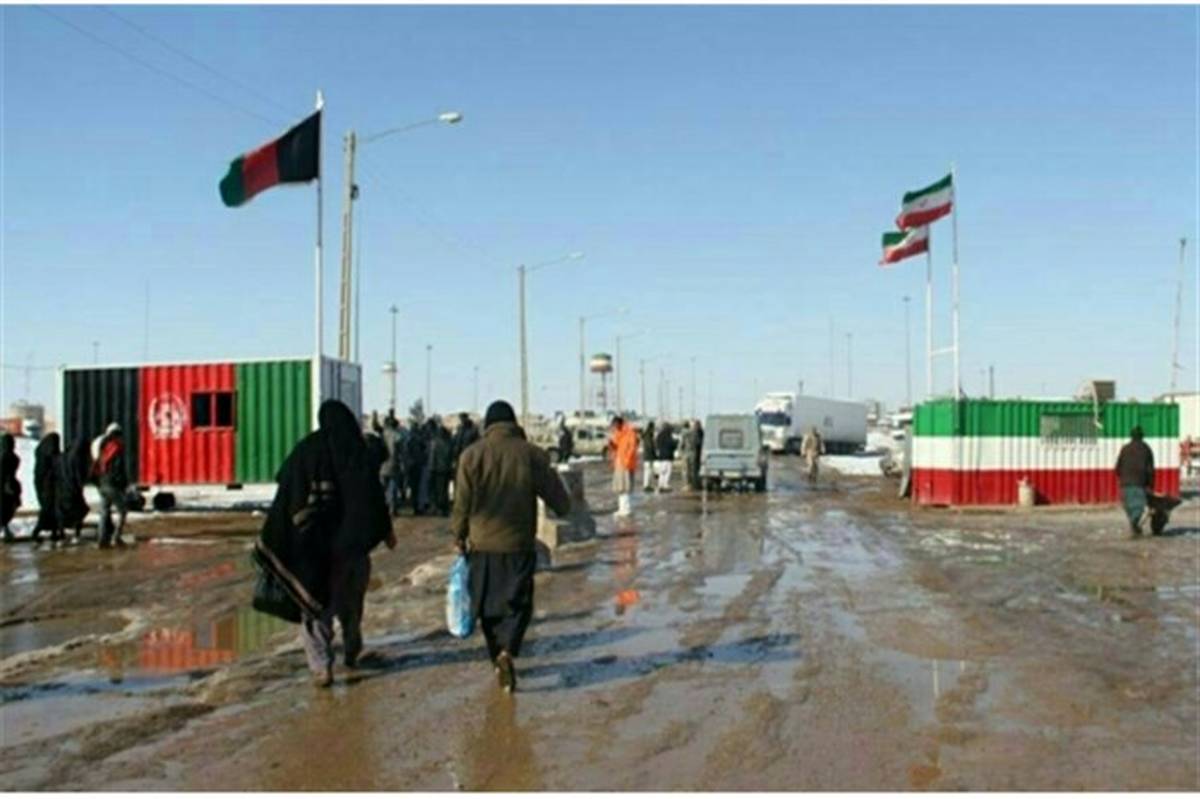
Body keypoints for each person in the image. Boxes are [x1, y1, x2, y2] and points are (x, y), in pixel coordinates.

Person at [256, 400, 395, 687]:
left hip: (317, 550)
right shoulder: (357, 450)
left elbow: (286, 481)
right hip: (354, 548)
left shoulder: (308, 449)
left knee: (317, 606)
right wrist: (385, 531)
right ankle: (352, 649)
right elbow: (374, 498)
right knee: (351, 605)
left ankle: (322, 667)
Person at [450, 400, 571, 693]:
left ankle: (497, 657)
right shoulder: (531, 454)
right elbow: (559, 499)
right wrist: (563, 507)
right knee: (518, 604)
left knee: (487, 607)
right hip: (519, 546)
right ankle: (508, 651)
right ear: (513, 423)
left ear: (488, 425)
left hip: (482, 547)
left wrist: (458, 536)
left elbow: (461, 504)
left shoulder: (471, 456)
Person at [1116, 425, 1156, 537]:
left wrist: (1122, 478)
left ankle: (1135, 528)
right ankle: (1135, 527)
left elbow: (1118, 468)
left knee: (1130, 509)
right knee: (1138, 509)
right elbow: (1150, 470)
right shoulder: (1146, 449)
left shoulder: (1125, 449)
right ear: (1142, 436)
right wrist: (1150, 486)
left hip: (1125, 485)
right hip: (1139, 484)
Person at [94, 423, 128, 548]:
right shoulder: (117, 447)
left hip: (102, 482)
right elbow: (118, 469)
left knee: (104, 512)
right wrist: (123, 483)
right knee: (123, 511)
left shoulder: (103, 447)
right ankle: (116, 537)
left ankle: (101, 540)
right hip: (112, 484)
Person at [32, 433, 65, 544]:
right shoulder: (46, 457)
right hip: (46, 488)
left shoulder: (44, 454)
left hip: (51, 487)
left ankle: (55, 532)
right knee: (47, 510)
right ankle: (36, 532)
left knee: (54, 510)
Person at [59, 433, 91, 540]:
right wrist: (81, 483)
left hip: (64, 487)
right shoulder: (78, 458)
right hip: (74, 488)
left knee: (67, 510)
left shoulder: (66, 455)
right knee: (80, 510)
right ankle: (76, 532)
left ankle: (63, 531)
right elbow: (78, 474)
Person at [608, 416, 640, 516]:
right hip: (619, 462)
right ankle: (622, 508)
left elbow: (632, 448)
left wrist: (626, 461)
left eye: (615, 425)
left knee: (625, 487)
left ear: (619, 423)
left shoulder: (630, 433)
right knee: (620, 487)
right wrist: (611, 444)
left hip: (626, 464)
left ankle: (626, 509)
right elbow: (616, 446)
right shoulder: (618, 433)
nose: (614, 428)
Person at [402, 421, 429, 515]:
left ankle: (415, 506)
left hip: (413, 466)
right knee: (417, 488)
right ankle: (416, 507)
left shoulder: (409, 440)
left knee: (414, 488)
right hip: (416, 465)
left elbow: (406, 453)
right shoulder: (418, 440)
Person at [430, 424, 454, 516]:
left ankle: (439, 508)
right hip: (446, 469)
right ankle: (445, 508)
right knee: (445, 490)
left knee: (438, 490)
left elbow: (432, 457)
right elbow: (451, 456)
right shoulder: (449, 443)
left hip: (437, 469)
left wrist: (431, 468)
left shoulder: (435, 443)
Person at [0, 433, 21, 542]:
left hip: (4, 487)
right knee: (7, 510)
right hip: (11, 487)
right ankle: (6, 530)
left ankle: (6, 530)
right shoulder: (14, 457)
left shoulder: (4, 457)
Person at [381, 416, 402, 516]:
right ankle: (392, 509)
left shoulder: (382, 434)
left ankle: (382, 508)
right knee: (393, 488)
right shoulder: (397, 436)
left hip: (382, 464)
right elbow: (401, 452)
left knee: (383, 488)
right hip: (394, 464)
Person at [654, 422, 677, 491]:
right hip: (668, 455)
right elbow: (671, 444)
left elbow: (657, 444)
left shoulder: (659, 435)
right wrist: (675, 443)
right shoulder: (668, 435)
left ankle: (660, 484)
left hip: (661, 455)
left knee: (662, 471)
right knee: (667, 471)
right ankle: (665, 484)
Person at [680, 421, 700, 491]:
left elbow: (681, 444)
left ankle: (686, 484)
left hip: (685, 453)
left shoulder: (683, 434)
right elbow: (698, 442)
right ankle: (692, 484)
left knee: (685, 470)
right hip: (693, 453)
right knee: (692, 470)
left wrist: (680, 452)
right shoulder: (695, 433)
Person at [641, 421, 657, 492]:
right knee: (648, 471)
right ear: (651, 427)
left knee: (648, 471)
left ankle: (647, 485)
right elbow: (650, 446)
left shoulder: (646, 435)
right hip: (649, 455)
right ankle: (646, 485)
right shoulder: (648, 435)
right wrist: (654, 454)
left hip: (647, 455)